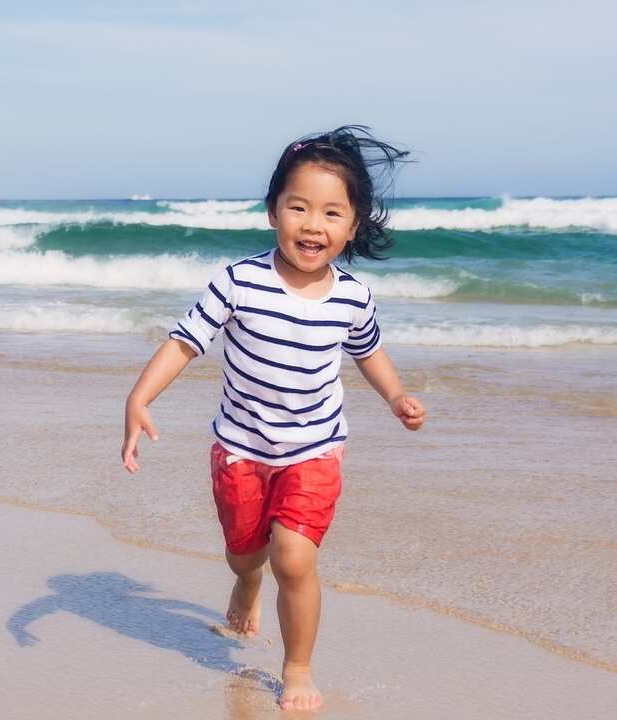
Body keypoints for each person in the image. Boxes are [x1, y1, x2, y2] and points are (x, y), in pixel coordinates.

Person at [120, 126, 426, 712]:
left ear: (352, 225)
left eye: (332, 212)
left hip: (314, 449)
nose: (314, 224)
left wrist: (395, 397)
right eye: (299, 207)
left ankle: (297, 666)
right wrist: (139, 399)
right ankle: (246, 581)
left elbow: (369, 352)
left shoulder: (353, 297)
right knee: (246, 551)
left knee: (294, 556)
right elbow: (186, 342)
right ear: (272, 213)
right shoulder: (238, 282)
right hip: (240, 448)